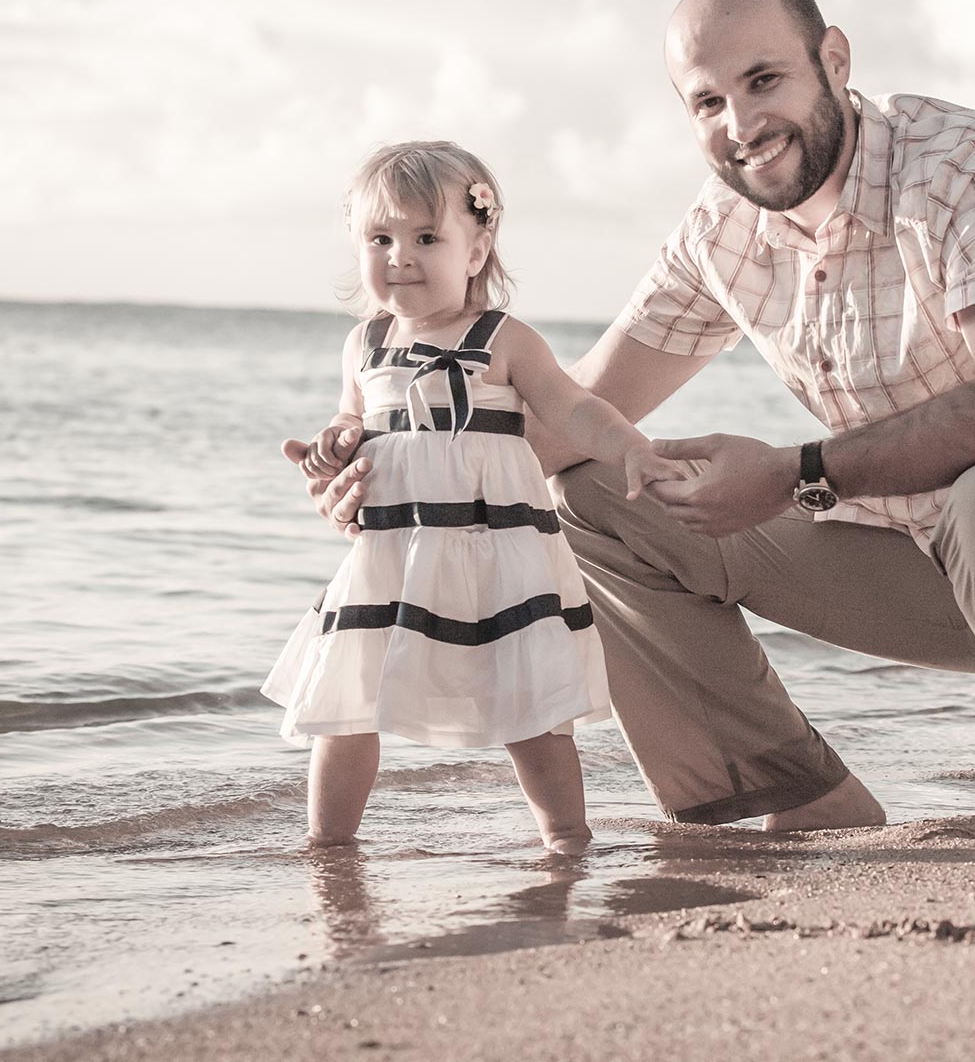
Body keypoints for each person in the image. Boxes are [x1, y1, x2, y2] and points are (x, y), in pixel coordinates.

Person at [301, 0, 975, 838]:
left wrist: (791, 474)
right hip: (911, 565)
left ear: (835, 61)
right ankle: (792, 790)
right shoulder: (722, 230)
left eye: (763, 79)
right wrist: (386, 469)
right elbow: (563, 413)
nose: (740, 122)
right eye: (706, 101)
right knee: (595, 493)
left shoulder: (966, 167)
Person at [265, 140, 677, 854]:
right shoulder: (364, 344)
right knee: (345, 695)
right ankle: (327, 843)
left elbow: (572, 408)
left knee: (529, 704)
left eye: (427, 237)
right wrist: (333, 441)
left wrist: (632, 448)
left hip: (494, 548)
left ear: (477, 249)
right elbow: (352, 416)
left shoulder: (503, 339)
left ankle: (567, 836)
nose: (400, 255)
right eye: (380, 238)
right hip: (394, 549)